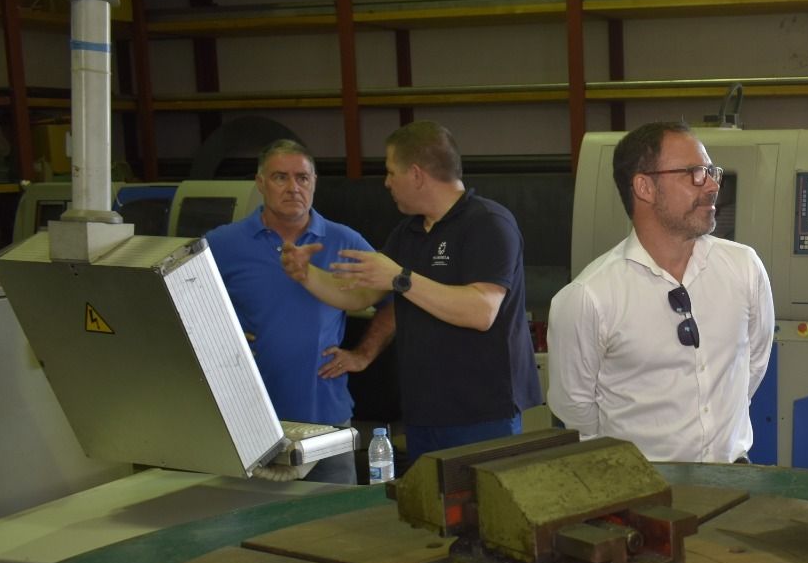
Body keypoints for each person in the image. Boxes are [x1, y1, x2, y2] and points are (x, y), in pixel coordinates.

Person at [282, 121, 542, 460]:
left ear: (416, 175)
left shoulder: (488, 223)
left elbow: (481, 311)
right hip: (423, 414)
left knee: (485, 509)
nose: (387, 183)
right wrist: (307, 276)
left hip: (483, 414)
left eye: (391, 172)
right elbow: (362, 296)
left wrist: (401, 278)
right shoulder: (409, 233)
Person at [547, 121, 774, 462]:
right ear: (645, 187)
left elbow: (753, 366)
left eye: (711, 171)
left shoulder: (743, 268)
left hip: (733, 480)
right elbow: (576, 410)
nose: (712, 185)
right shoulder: (589, 297)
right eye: (694, 173)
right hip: (643, 491)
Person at [206, 139, 372, 484]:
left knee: (338, 531)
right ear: (260, 182)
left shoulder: (345, 242)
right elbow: (181, 306)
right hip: (247, 426)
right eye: (280, 177)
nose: (293, 187)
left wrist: (363, 354)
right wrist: (222, 342)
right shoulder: (222, 245)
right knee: (248, 528)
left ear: (314, 183)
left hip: (327, 423)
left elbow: (396, 299)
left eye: (303, 178)